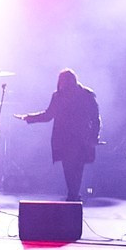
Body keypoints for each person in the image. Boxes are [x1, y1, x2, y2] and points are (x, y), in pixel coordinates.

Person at [19, 68, 102, 200]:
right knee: (70, 169)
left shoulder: (85, 95)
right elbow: (49, 115)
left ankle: (73, 196)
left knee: (74, 168)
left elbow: (95, 118)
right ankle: (73, 196)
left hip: (80, 139)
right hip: (66, 140)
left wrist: (94, 136)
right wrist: (29, 117)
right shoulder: (59, 96)